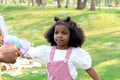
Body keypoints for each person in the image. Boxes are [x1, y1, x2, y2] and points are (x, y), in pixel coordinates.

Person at [25, 16, 100, 80]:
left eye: (64, 33)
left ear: (72, 35)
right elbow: (30, 54)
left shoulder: (75, 53)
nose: (59, 35)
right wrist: (20, 53)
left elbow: (88, 68)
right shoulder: (47, 51)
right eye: (56, 32)